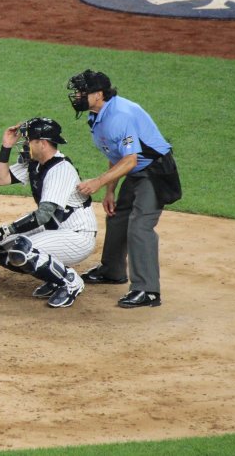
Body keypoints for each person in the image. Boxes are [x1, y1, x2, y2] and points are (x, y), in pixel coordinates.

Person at [66, 70, 177, 309]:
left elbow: (131, 160)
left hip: (155, 173)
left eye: (82, 91)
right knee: (117, 217)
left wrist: (98, 182)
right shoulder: (96, 116)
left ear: (98, 94)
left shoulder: (121, 115)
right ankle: (112, 270)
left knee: (140, 226)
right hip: (134, 171)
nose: (77, 96)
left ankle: (147, 291)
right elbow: (115, 154)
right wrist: (110, 192)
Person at [0, 118, 96, 309]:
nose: (25, 145)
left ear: (42, 143)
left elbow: (43, 215)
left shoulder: (60, 169)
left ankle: (70, 281)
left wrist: (4, 230)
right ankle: (54, 278)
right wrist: (6, 146)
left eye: (28, 141)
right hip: (54, 232)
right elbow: (1, 178)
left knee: (20, 249)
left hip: (77, 236)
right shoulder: (36, 164)